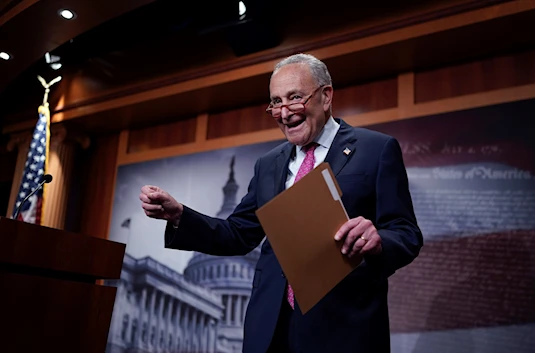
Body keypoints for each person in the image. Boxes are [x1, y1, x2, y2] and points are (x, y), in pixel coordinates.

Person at [139, 53, 423, 353]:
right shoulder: (268, 164)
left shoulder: (375, 150)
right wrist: (180, 215)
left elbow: (406, 233)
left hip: (342, 326)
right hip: (271, 329)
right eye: (275, 102)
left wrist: (378, 240)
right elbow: (238, 234)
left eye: (295, 98)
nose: (285, 112)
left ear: (326, 96)